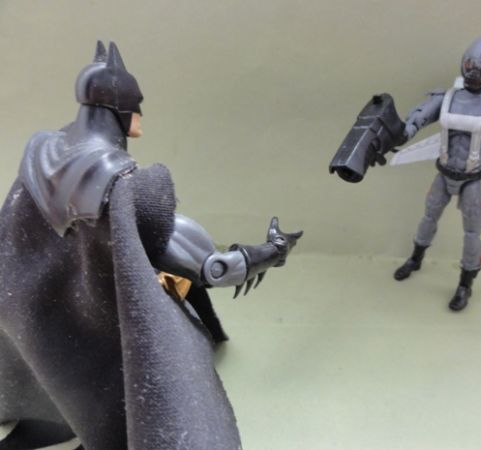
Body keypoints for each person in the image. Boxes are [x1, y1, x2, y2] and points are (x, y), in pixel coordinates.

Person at [0, 41, 301, 450]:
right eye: (136, 106)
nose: (140, 115)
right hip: (100, 341)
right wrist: (270, 252)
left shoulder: (41, 150)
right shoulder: (123, 185)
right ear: (123, 110)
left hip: (35, 321)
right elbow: (215, 269)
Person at [392, 32, 481, 311]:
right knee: (427, 218)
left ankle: (465, 285)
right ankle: (415, 259)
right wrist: (389, 136)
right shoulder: (447, 97)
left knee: (472, 234)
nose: (474, 72)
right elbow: (412, 123)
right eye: (470, 65)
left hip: (472, 180)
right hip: (443, 173)